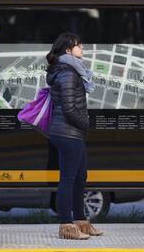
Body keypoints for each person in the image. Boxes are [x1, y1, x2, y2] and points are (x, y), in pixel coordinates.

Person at [46, 32, 102, 240]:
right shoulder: (68, 72)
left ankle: (81, 222)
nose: (82, 49)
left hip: (70, 131)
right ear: (69, 50)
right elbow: (69, 108)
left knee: (80, 177)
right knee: (69, 179)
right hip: (68, 131)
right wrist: (86, 124)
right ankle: (66, 225)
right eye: (79, 46)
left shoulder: (70, 70)